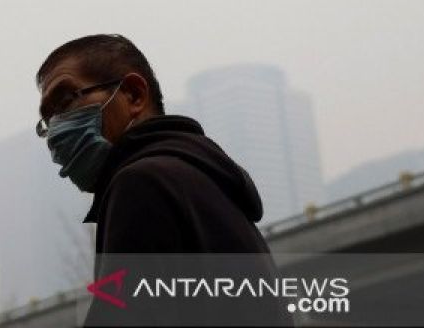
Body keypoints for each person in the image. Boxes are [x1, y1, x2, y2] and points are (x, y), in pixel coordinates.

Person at [35, 34, 291, 326]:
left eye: (66, 99)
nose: (56, 130)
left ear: (133, 95)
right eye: (48, 119)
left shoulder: (141, 185)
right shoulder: (202, 181)